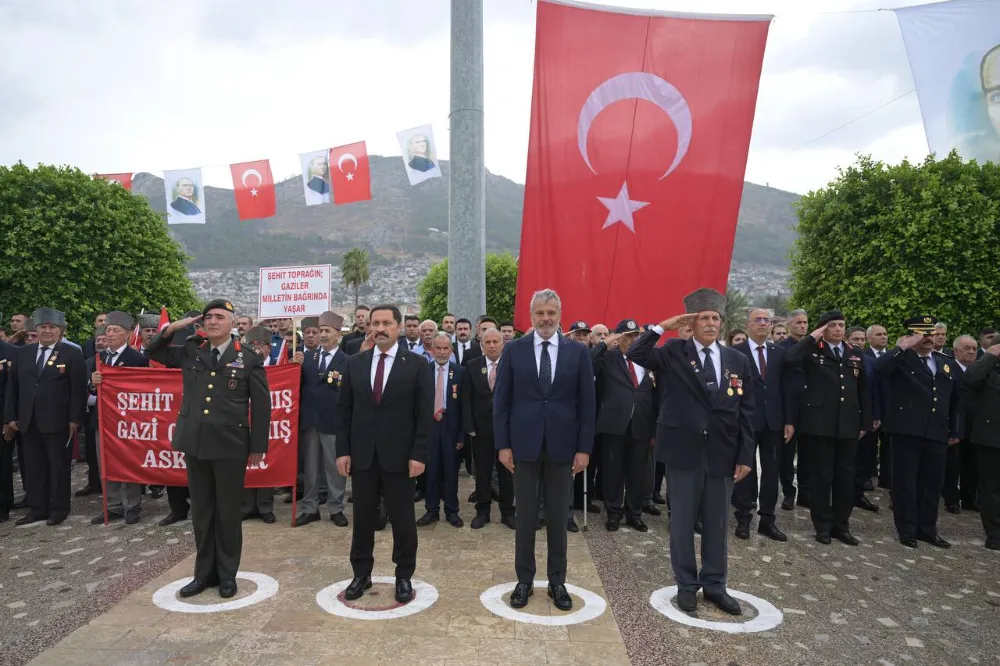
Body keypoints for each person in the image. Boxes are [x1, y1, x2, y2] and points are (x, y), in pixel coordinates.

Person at [628, 288, 753, 616]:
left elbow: (747, 411)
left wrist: (745, 455)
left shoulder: (737, 359)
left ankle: (715, 584)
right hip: (684, 451)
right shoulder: (674, 351)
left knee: (718, 522)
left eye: (715, 318)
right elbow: (637, 354)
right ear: (691, 323)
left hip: (723, 454)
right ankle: (686, 584)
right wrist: (662, 326)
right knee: (682, 522)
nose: (711, 323)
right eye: (704, 318)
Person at [145, 299, 270, 599]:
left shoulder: (249, 357)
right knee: (202, 513)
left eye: (219, 317)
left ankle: (227, 575)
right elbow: (152, 352)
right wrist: (170, 329)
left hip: (230, 445)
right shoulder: (191, 350)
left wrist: (258, 446)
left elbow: (262, 406)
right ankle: (203, 574)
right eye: (208, 317)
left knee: (227, 513)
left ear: (232, 324)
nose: (212, 321)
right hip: (196, 443)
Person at [493, 288, 596, 612]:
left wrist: (584, 449)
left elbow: (587, 405)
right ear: (531, 315)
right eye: (540, 313)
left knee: (557, 517)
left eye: (551, 312)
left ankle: (557, 581)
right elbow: (502, 402)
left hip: (563, 448)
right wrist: (503, 445)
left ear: (560, 314)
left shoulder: (577, 353)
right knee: (524, 517)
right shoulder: (515, 350)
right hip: (523, 447)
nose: (546, 318)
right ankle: (524, 580)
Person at [337, 304, 432, 603]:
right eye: (375, 323)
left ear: (398, 327)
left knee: (403, 519)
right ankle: (361, 573)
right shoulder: (354, 363)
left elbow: (423, 415)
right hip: (363, 456)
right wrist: (343, 451)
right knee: (363, 517)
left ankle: (404, 575)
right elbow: (344, 412)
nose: (380, 328)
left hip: (401, 458)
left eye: (386, 323)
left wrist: (419, 454)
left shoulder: (417, 365)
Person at [784, 310, 872, 546]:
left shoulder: (854, 354)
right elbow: (790, 359)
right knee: (821, 478)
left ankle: (841, 525)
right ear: (823, 329)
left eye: (842, 325)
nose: (839, 329)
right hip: (820, 425)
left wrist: (865, 422)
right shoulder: (812, 350)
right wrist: (812, 337)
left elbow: (864, 389)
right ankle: (822, 526)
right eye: (832, 325)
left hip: (848, 425)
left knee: (845, 478)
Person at [875, 316, 960, 549]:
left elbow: (956, 400)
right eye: (922, 334)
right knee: (906, 484)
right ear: (912, 336)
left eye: (931, 334)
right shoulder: (901, 360)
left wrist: (956, 429)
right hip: (906, 431)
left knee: (932, 485)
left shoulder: (945, 362)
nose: (928, 338)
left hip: (937, 432)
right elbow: (879, 368)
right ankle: (907, 529)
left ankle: (927, 529)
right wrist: (901, 346)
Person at [4, 308, 87, 526]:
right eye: (43, 327)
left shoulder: (71, 354)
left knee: (58, 467)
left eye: (52, 327)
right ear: (36, 329)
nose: (47, 331)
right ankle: (37, 509)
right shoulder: (22, 354)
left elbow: (77, 390)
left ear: (60, 330)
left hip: (59, 421)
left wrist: (74, 419)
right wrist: (10, 416)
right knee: (33, 467)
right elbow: (13, 389)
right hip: (28, 421)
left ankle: (59, 509)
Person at [592, 319, 658, 532]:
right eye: (627, 336)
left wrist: (655, 429)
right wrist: (603, 345)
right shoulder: (608, 359)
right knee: (613, 471)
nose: (632, 340)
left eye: (635, 336)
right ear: (618, 338)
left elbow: (656, 395)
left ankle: (634, 513)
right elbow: (587, 364)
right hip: (614, 425)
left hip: (641, 425)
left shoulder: (647, 360)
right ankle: (613, 513)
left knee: (637, 473)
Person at [730, 308, 789, 542]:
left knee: (771, 471)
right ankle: (743, 518)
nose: (763, 323)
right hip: (745, 421)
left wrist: (789, 420)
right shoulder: (735, 352)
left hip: (774, 421)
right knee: (745, 469)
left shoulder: (779, 353)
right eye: (758, 320)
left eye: (767, 320)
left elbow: (786, 388)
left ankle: (767, 519)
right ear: (748, 325)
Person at [88, 312, 150, 525]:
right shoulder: (100, 358)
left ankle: (132, 505)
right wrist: (92, 382)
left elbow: (143, 390)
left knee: (126, 462)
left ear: (127, 334)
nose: (110, 334)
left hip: (126, 421)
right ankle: (112, 505)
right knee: (104, 462)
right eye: (108, 330)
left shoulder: (137, 359)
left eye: (115, 331)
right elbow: (89, 392)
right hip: (102, 419)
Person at [295, 313, 350, 527]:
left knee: (334, 469)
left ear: (338, 334)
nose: (323, 335)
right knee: (310, 469)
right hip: (310, 422)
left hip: (333, 423)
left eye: (327, 331)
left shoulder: (347, 361)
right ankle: (310, 508)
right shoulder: (307, 358)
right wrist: (293, 366)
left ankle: (336, 508)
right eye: (321, 331)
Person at [462, 327, 514, 529]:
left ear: (503, 343)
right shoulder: (472, 366)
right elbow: (466, 399)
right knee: (482, 472)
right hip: (481, 430)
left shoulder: (511, 365)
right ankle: (483, 511)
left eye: (496, 342)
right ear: (482, 344)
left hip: (506, 430)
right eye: (488, 342)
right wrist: (469, 426)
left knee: (506, 473)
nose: (492, 346)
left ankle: (508, 512)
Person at [417, 332, 466, 528]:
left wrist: (462, 433)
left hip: (450, 427)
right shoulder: (423, 370)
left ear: (451, 350)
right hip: (429, 426)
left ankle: (452, 510)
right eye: (439, 348)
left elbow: (465, 406)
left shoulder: (460, 372)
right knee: (431, 471)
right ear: (432, 349)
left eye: (446, 348)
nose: (443, 352)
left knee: (450, 470)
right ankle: (432, 510)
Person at [960, 334, 1000, 550]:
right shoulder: (987, 369)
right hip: (991, 438)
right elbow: (970, 379)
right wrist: (989, 357)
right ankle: (995, 533)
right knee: (991, 489)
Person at [943, 335, 981, 513]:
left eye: (974, 348)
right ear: (956, 350)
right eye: (967, 348)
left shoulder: (980, 371)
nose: (972, 352)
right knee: (953, 463)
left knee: (972, 462)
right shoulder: (948, 369)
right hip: (954, 423)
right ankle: (951, 498)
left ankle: (969, 498)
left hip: (975, 424)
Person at [0, 338, 16, 522]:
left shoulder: (10, 352)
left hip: (2, 415)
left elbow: (12, 390)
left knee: (3, 463)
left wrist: (8, 418)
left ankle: (3, 506)